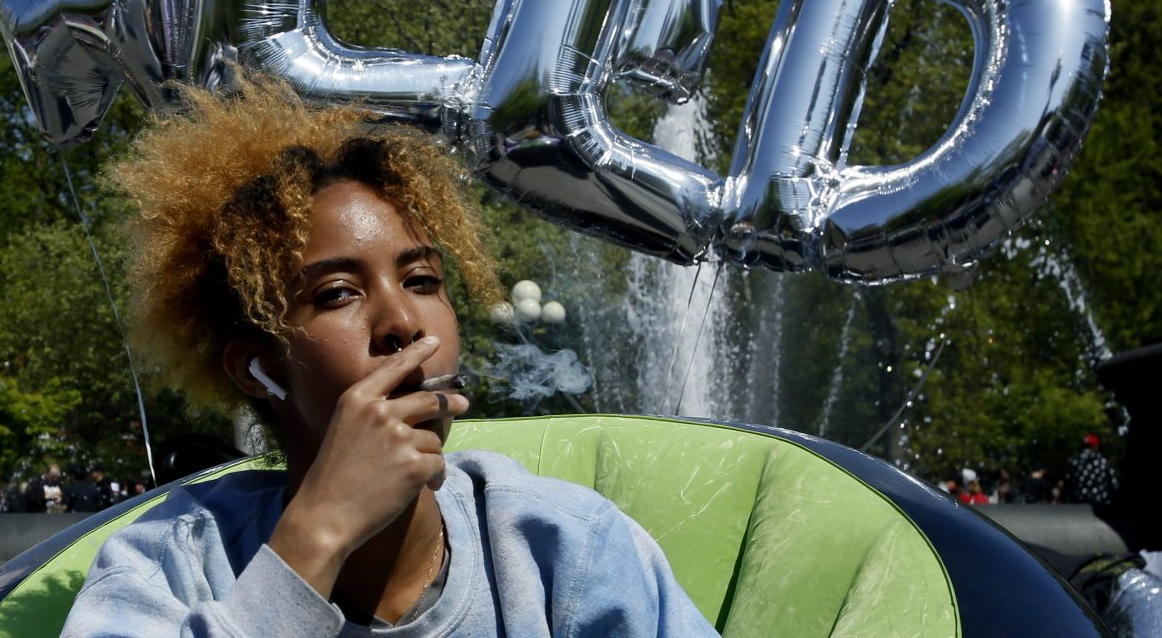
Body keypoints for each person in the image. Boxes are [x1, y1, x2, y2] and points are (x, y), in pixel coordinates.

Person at [61, 80, 718, 637]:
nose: (403, 323)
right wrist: (315, 539)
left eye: (423, 281)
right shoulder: (168, 567)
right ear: (258, 367)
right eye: (338, 293)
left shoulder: (565, 549)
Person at [1063, 434, 1119, 506]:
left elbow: (1067, 481)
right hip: (1100, 503)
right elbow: (1114, 484)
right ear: (1096, 447)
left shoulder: (1074, 461)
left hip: (1078, 503)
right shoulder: (1104, 462)